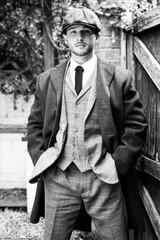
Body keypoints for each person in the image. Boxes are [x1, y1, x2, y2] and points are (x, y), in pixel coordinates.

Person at [27, 6, 147, 240]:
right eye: (73, 32)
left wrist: (116, 164)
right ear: (65, 38)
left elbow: (137, 126)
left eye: (86, 31)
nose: (79, 37)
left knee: (115, 236)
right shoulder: (47, 80)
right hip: (59, 176)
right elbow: (34, 126)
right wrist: (42, 161)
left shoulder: (119, 78)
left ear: (96, 36)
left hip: (103, 176)